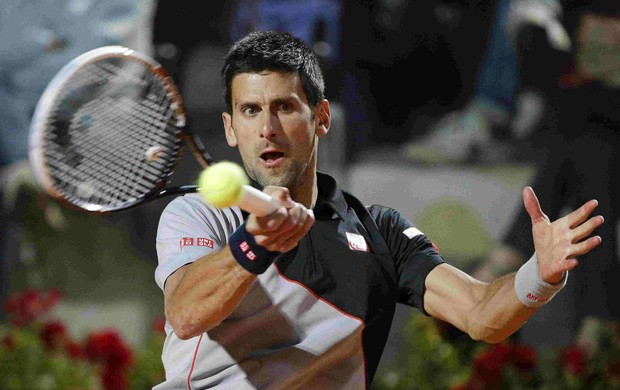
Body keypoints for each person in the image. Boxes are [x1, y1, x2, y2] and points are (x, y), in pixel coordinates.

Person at [154, 30, 604, 389]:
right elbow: (187, 314)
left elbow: (480, 314)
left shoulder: (380, 233)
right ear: (231, 129)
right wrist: (253, 243)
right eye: (250, 111)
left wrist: (539, 275)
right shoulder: (198, 214)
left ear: (322, 117)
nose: (267, 128)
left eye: (284, 107)